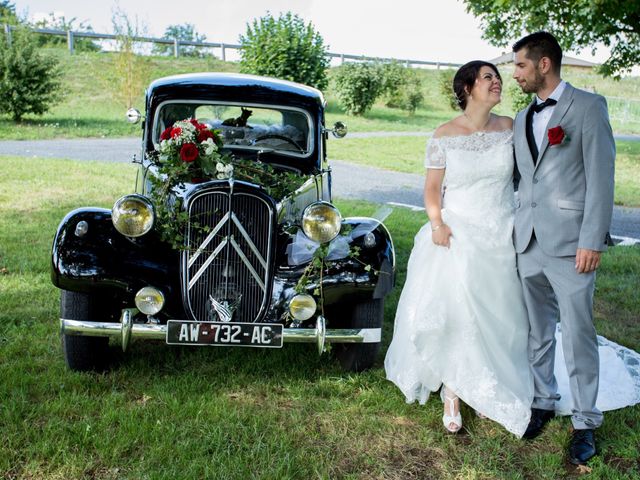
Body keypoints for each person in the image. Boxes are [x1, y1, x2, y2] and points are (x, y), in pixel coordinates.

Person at [384, 60, 535, 437]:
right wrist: (437, 224)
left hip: (502, 231)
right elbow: (433, 189)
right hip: (457, 230)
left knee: (500, 310)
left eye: (497, 77)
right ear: (467, 88)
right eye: (488, 77)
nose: (497, 81)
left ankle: (490, 379)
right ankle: (452, 390)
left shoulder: (511, 128)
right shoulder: (444, 134)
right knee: (458, 307)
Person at [511, 31, 615, 465]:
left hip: (574, 243)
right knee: (538, 332)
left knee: (577, 333)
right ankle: (542, 401)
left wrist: (592, 238)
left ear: (544, 65)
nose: (514, 73)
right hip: (528, 241)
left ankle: (586, 421)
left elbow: (602, 178)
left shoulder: (588, 108)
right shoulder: (520, 117)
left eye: (519, 65)